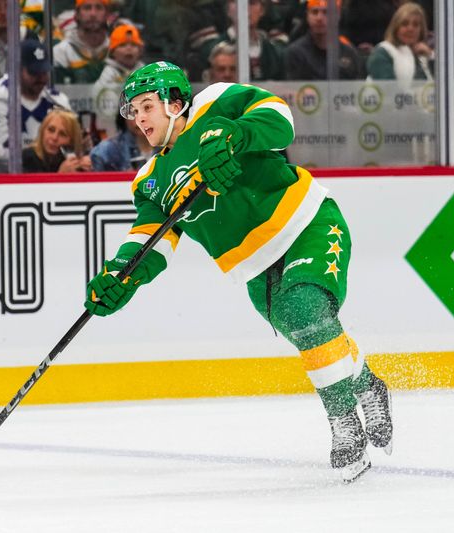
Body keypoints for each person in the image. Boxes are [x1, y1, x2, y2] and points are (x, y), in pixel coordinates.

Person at [84, 62, 394, 483]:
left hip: (306, 225)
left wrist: (237, 135)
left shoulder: (216, 103)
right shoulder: (149, 182)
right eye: (133, 111)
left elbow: (281, 120)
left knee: (306, 313)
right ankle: (368, 385)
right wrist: (121, 277)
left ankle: (344, 424)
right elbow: (149, 242)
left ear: (175, 102)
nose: (139, 119)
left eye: (146, 106)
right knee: (314, 335)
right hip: (254, 270)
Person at [0, 39, 72, 162]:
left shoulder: (57, 100)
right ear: (16, 70)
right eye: (34, 72)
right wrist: (46, 151)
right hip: (8, 177)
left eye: (44, 72)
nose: (41, 78)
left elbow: (71, 148)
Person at [286, 0, 364, 81]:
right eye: (314, 12)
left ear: (337, 16)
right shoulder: (295, 53)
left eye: (326, 12)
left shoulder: (349, 54)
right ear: (307, 16)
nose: (319, 18)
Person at [366, 2, 433, 86]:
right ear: (395, 27)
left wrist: (430, 57)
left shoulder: (425, 53)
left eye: (416, 25)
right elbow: (389, 90)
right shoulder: (382, 52)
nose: (410, 29)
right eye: (405, 24)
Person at [53, 0, 110, 84]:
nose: (93, 14)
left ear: (107, 15)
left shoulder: (116, 50)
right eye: (87, 8)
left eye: (98, 8)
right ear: (77, 15)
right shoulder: (60, 52)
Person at [22, 109, 92, 173]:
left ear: (71, 141)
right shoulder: (26, 158)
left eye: (62, 134)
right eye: (51, 130)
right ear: (42, 131)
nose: (54, 137)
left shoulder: (67, 158)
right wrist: (60, 175)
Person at [90, 112, 156, 171]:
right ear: (124, 116)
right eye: (134, 112)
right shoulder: (108, 149)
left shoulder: (164, 146)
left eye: (147, 109)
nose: (140, 119)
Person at [93, 23, 145, 95]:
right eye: (122, 45)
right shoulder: (110, 72)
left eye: (133, 45)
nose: (129, 48)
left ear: (140, 51)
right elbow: (99, 91)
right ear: (112, 52)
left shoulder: (144, 70)